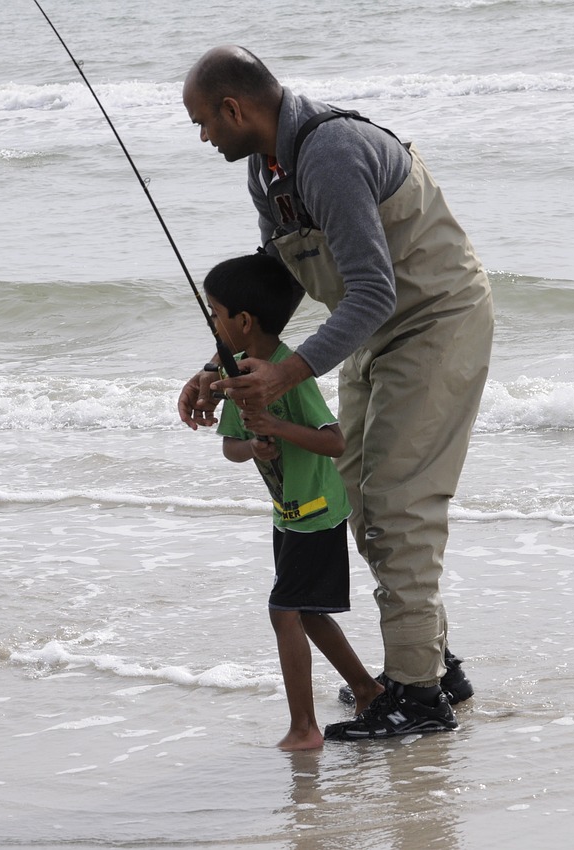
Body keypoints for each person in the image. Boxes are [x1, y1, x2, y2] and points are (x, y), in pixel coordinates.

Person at [178, 46, 494, 740]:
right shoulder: (269, 171)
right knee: (359, 490)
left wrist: (286, 374)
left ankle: (417, 698)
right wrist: (219, 365)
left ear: (236, 109)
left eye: (203, 122)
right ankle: (438, 669)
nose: (204, 137)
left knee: (397, 504)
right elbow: (274, 283)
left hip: (435, 320)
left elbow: (377, 288)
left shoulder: (329, 153)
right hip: (374, 333)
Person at [202, 252, 384, 751]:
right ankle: (367, 688)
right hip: (287, 515)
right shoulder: (240, 374)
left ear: (242, 321)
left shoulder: (286, 373)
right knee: (306, 613)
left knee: (284, 611)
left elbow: (336, 442)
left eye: (214, 313)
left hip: (319, 513)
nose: (211, 323)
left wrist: (279, 426)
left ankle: (304, 728)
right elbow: (229, 449)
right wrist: (253, 445)